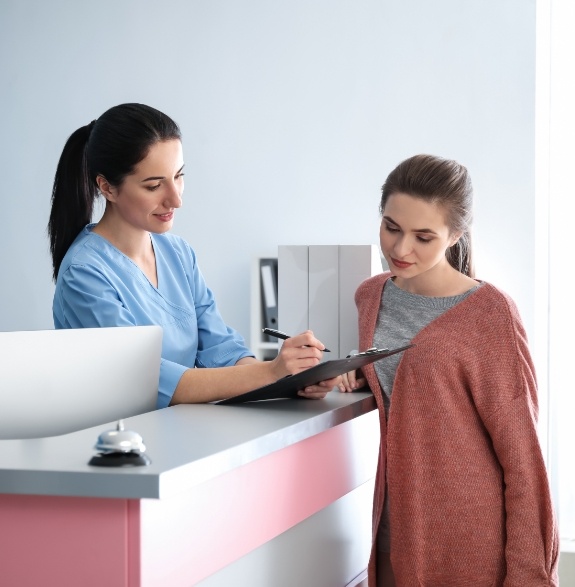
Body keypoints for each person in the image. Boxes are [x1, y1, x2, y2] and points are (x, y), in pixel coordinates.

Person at [339, 154, 559, 586]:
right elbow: (415, 389)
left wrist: (529, 575)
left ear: (456, 234)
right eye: (391, 227)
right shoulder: (369, 296)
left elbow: (523, 460)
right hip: (388, 533)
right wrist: (354, 372)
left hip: (467, 544)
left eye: (423, 236)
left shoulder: (491, 315)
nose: (401, 250)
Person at [48, 103, 338, 408]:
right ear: (107, 187)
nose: (176, 199)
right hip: (119, 445)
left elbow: (221, 350)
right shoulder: (84, 273)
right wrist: (272, 371)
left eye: (178, 176)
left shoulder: (178, 254)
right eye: (154, 185)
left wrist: (292, 379)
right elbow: (149, 382)